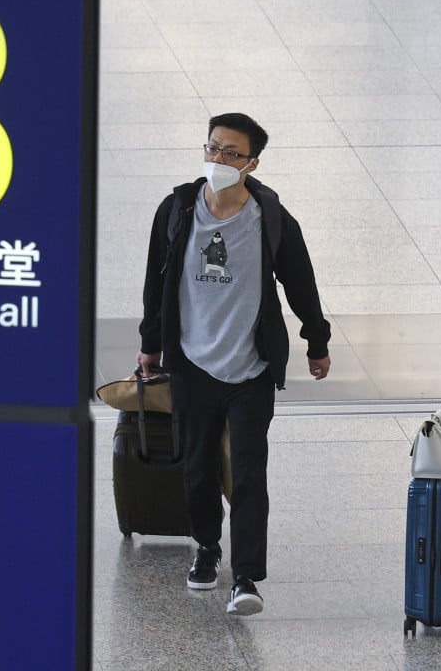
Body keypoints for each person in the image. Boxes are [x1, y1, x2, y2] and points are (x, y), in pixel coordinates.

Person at [137, 112, 332, 616]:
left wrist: (317, 341)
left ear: (252, 163)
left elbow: (301, 282)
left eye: (231, 152)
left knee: (248, 472)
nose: (218, 158)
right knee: (198, 466)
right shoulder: (177, 208)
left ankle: (246, 576)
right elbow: (156, 280)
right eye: (213, 147)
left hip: (250, 368)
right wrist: (150, 343)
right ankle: (207, 547)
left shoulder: (271, 218)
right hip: (192, 363)